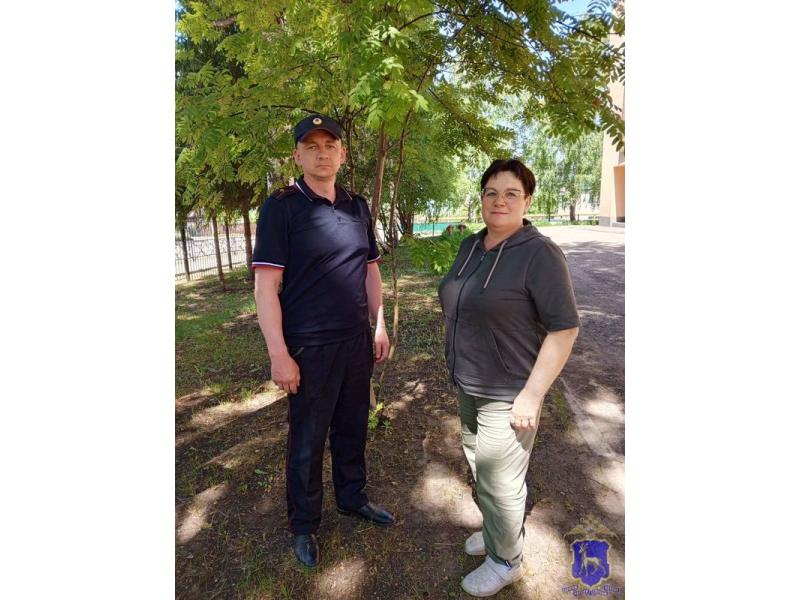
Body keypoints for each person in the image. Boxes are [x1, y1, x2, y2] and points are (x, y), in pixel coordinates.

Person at [252, 113, 396, 569]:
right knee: (308, 440)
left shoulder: (357, 206)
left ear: (342, 154)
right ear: (297, 156)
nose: (322, 154)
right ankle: (304, 524)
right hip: (309, 347)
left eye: (330, 145)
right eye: (311, 146)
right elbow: (265, 288)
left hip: (356, 342)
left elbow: (370, 270)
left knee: (353, 427)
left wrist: (379, 324)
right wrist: (279, 354)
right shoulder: (281, 208)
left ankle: (352, 498)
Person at [438, 159, 580, 596]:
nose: (499, 201)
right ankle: (498, 532)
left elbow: (564, 329)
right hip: (469, 382)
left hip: (510, 391)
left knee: (500, 481)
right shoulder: (472, 245)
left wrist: (532, 395)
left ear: (527, 201)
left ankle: (506, 561)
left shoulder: (540, 254)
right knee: (481, 468)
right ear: (481, 198)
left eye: (511, 193)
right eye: (491, 193)